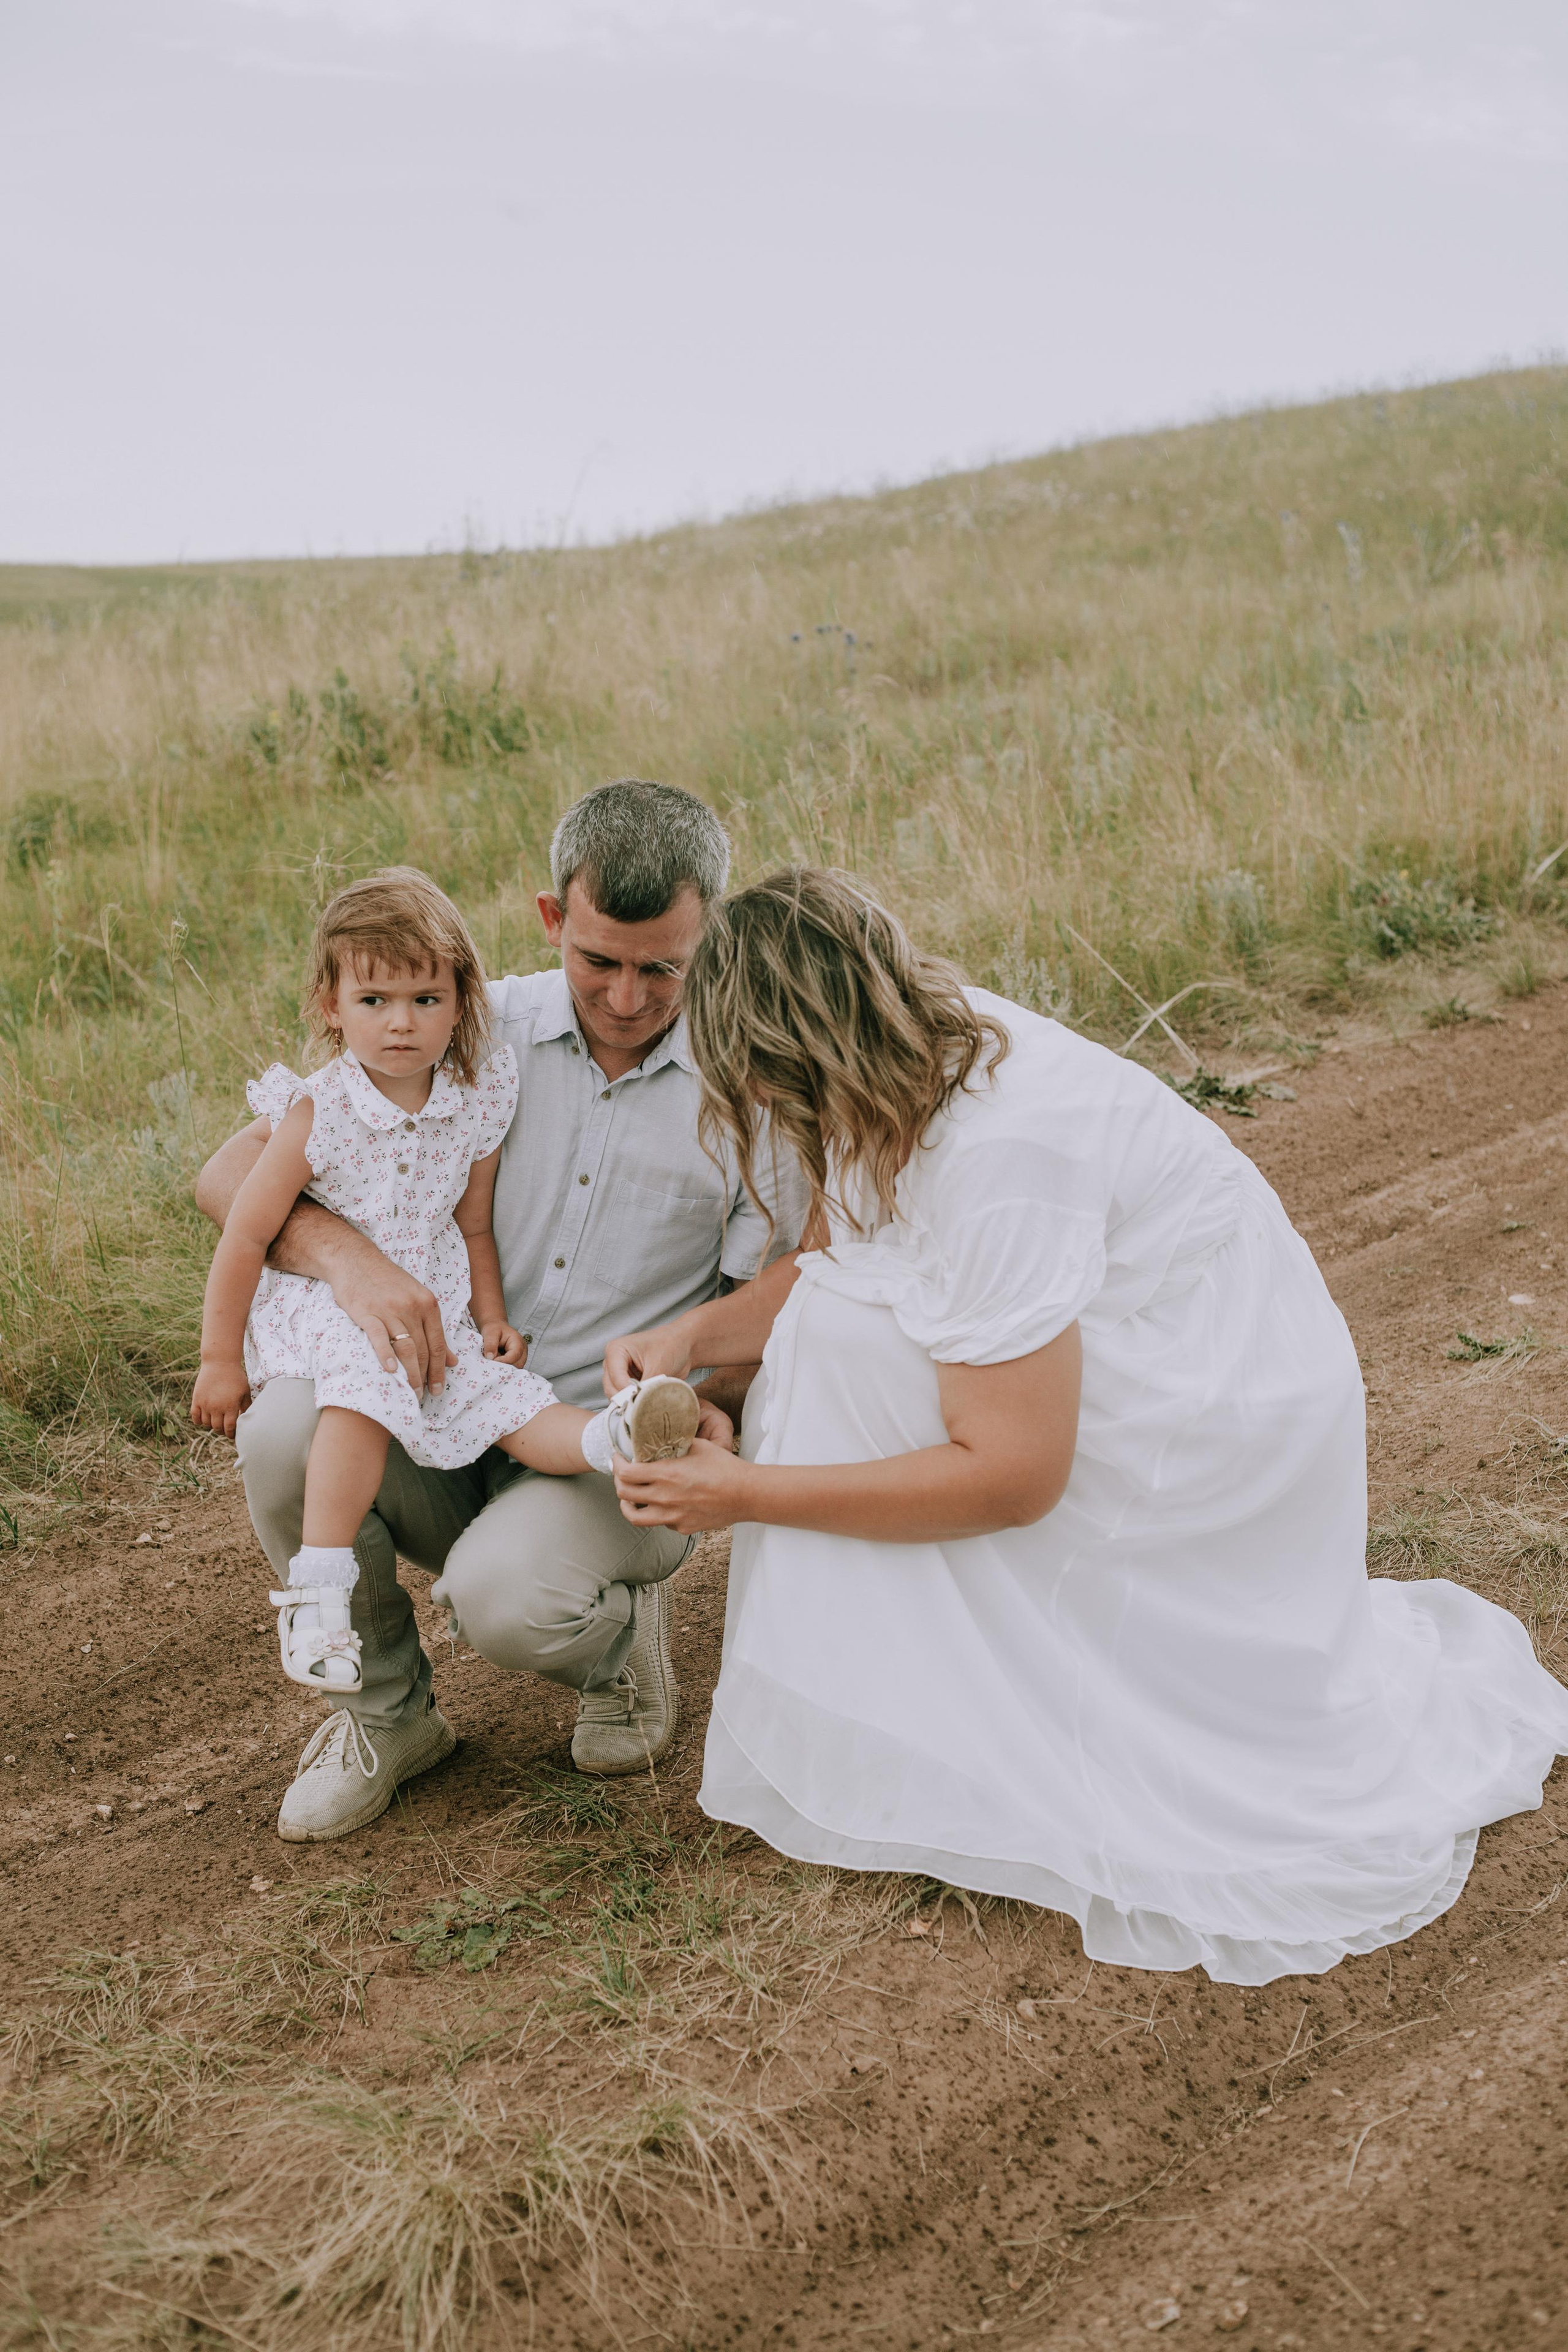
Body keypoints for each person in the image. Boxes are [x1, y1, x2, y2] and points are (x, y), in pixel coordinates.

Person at [603, 867, 1568, 1987]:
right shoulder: (900, 1059)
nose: (762, 1107)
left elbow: (1013, 1476)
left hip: (1216, 1394)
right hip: (1095, 1342)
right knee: (829, 1331)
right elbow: (838, 1258)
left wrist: (748, 1494)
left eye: (765, 1082)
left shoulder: (1005, 1157)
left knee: (845, 1351)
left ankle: (992, 1715)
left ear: (812, 1051)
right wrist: (695, 1338)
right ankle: (921, 1708)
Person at [194, 782, 803, 1844]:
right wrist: (352, 1263)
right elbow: (225, 1178)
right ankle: (386, 1718)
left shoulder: (751, 1081)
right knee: (284, 1431)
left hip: (602, 1444)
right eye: (598, 960)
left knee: (504, 1600)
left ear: (713, 930)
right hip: (441, 1404)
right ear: (550, 919)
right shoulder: (458, 1024)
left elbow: (790, 1277)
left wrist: (721, 1396)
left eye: (663, 966)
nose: (624, 997)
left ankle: (616, 1640)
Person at [191, 867, 700, 1697]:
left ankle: (617, 1437)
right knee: (349, 1401)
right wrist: (221, 1358)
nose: (402, 1023)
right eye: (375, 1002)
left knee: (505, 1399)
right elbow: (243, 1224)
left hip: (444, 1314)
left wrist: (492, 1318)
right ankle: (322, 1596)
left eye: (426, 1001)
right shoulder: (318, 1108)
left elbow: (472, 1224)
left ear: (462, 1002)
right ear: (331, 1005)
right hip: (340, 1319)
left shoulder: (477, 1090)